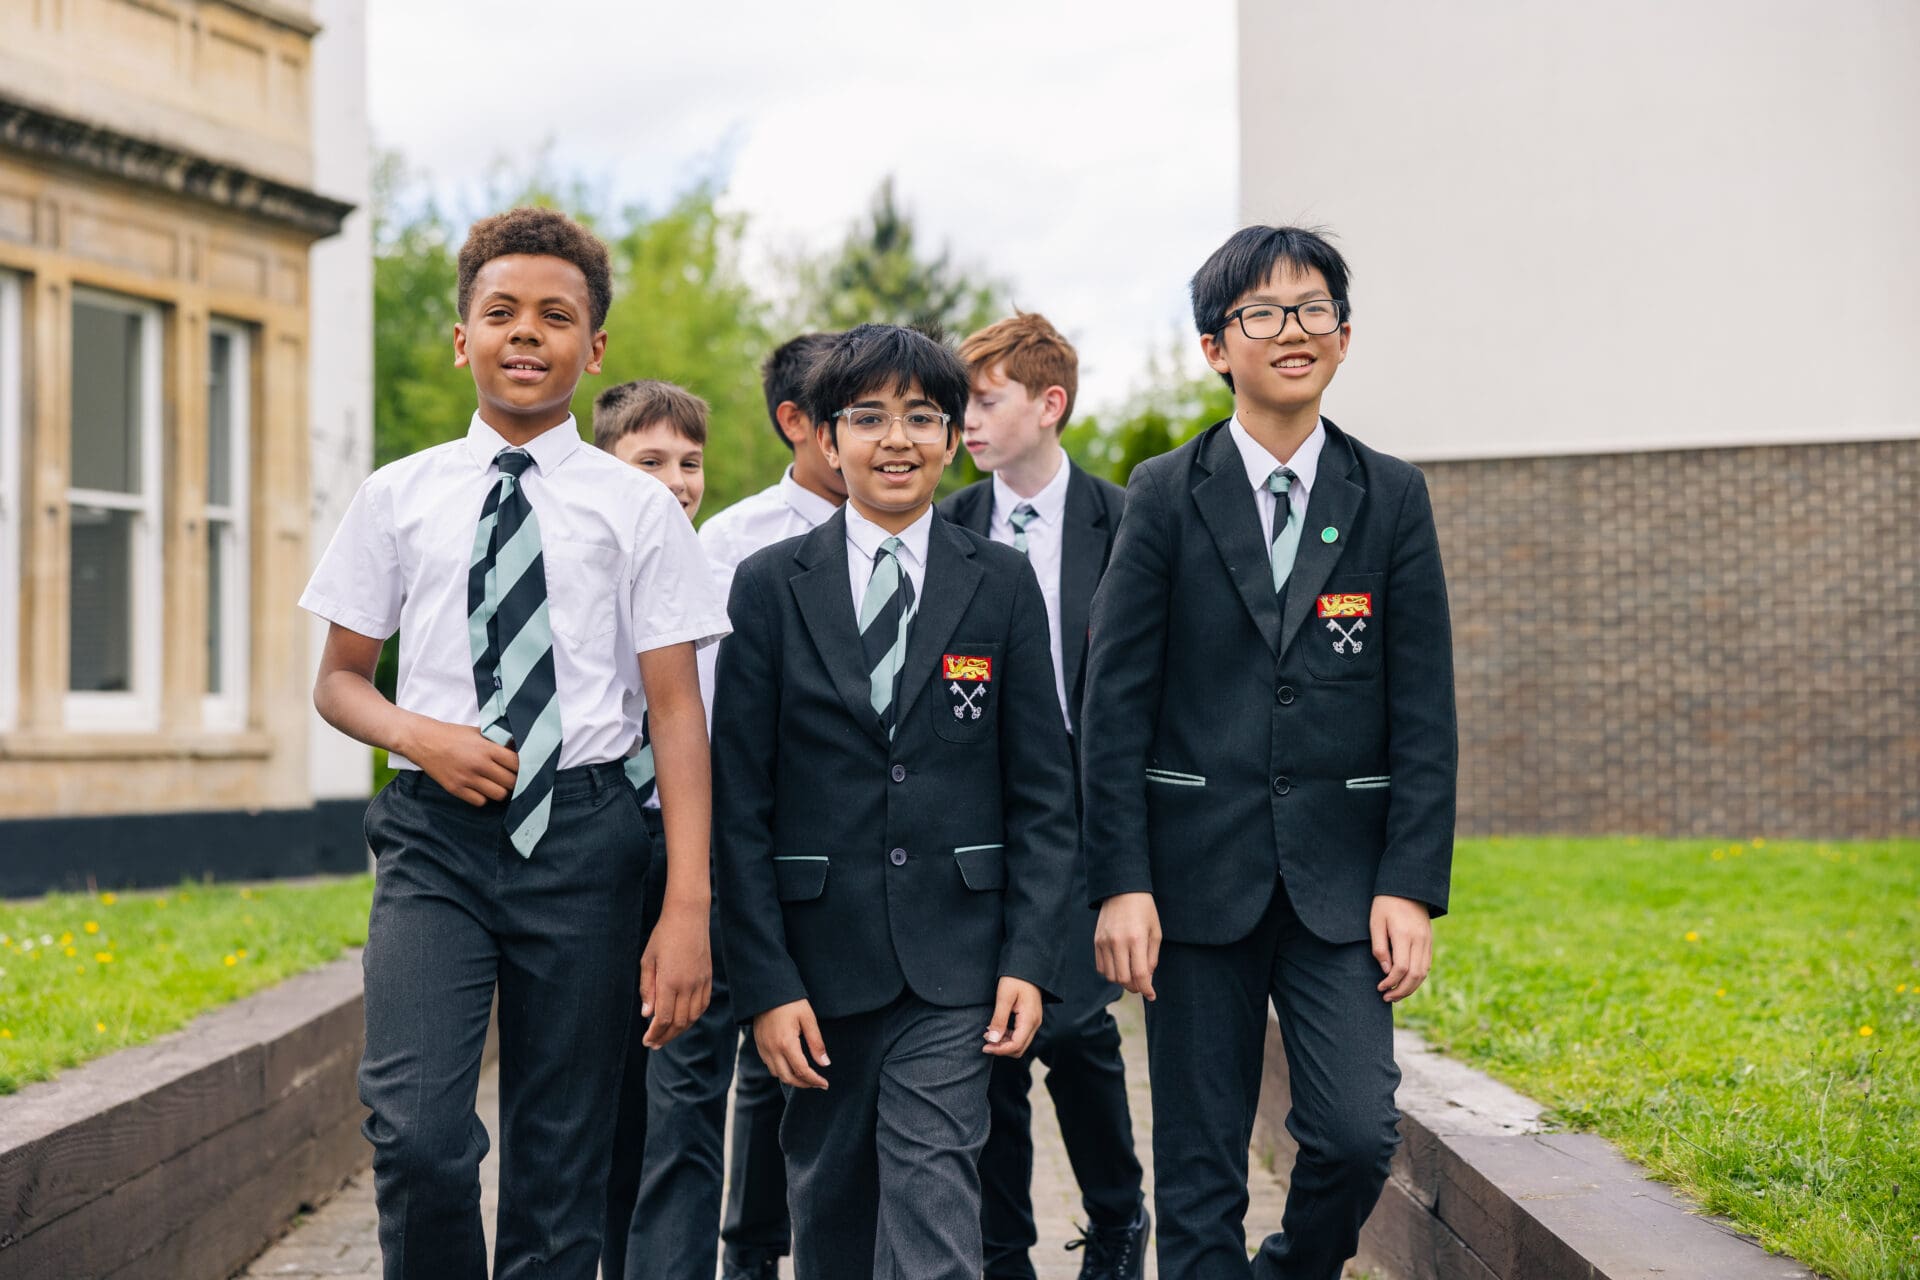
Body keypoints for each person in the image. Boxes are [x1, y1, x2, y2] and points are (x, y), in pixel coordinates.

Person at [300, 207, 730, 1280]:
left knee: (561, 1164)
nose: (525, 333)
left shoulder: (637, 510)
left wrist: (686, 907)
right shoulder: (398, 496)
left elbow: (676, 711)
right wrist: (420, 735)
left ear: (595, 349)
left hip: (586, 843)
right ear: (462, 339)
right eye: (500, 313)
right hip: (435, 841)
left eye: (556, 315)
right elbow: (340, 682)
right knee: (415, 1130)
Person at [1080, 225, 1457, 1280]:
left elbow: (1425, 709)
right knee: (1198, 1166)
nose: (1291, 329)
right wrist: (1122, 882)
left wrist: (1411, 885)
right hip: (1192, 881)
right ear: (1215, 346)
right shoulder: (1164, 490)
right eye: (1261, 311)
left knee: (1351, 1134)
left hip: (1344, 886)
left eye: (1312, 308)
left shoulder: (1391, 496)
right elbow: (1114, 706)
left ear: (1344, 335)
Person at [713, 324, 1077, 1280]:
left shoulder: (997, 582)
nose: (897, 439)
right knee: (829, 1208)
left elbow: (1041, 792)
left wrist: (1030, 957)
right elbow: (739, 804)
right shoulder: (766, 587)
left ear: (954, 439)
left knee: (933, 1195)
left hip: (955, 963)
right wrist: (765, 982)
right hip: (815, 966)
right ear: (827, 441)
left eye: (923, 417)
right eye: (868, 418)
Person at [937, 312, 1148, 1280]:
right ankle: (1002, 1250)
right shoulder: (945, 529)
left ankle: (1116, 1216)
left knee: (1069, 1021)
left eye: (983, 401)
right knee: (995, 1040)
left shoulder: (1127, 520)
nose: (962, 424)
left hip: (1092, 808)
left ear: (1048, 403)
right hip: (982, 820)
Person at [695, 331, 844, 1279]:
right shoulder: (736, 543)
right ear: (797, 422)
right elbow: (711, 708)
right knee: (766, 1053)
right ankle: (751, 1251)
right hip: (768, 832)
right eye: (850, 412)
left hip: (874, 836)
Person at [591, 378, 736, 1280]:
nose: (678, 480)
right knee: (604, 1108)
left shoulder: (728, 575)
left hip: (694, 858)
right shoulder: (570, 571)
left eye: (690, 463)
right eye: (651, 461)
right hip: (599, 849)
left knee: (685, 1106)